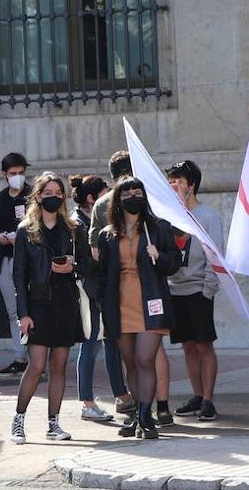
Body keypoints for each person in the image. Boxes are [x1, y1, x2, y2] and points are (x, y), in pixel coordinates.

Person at [92, 177, 181, 439]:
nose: (133, 196)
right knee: (130, 362)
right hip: (119, 305)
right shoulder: (107, 235)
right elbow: (102, 275)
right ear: (118, 200)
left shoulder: (159, 228)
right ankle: (136, 416)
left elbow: (174, 263)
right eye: (127, 192)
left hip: (151, 302)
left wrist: (159, 256)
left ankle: (145, 415)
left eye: (137, 191)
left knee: (144, 359)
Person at [9, 173, 84, 444]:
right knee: (37, 365)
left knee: (60, 365)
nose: (54, 195)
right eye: (48, 191)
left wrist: (72, 267)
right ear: (38, 196)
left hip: (65, 302)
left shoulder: (72, 229)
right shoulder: (25, 230)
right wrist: (23, 314)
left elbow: (88, 264)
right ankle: (19, 419)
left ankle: (54, 423)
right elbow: (19, 276)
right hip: (38, 303)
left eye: (58, 191)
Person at [166, 160, 224, 423]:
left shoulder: (208, 216)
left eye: (178, 181)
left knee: (204, 345)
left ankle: (209, 400)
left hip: (199, 289)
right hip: (174, 290)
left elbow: (216, 256)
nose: (173, 186)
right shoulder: (167, 216)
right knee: (187, 346)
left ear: (191, 185)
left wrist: (208, 289)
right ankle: (197, 395)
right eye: (171, 181)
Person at [71, 175, 130, 420]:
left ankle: (122, 395)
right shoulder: (78, 224)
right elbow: (85, 263)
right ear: (91, 199)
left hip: (102, 289)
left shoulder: (88, 220)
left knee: (111, 342)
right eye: (105, 194)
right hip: (89, 290)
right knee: (91, 343)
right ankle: (87, 402)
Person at [88, 151, 138, 420]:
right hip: (140, 283)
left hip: (110, 284)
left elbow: (94, 250)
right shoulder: (143, 197)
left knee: (111, 340)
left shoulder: (101, 204)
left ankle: (121, 395)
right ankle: (146, 396)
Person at [0, 152, 32, 376]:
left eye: (21, 173)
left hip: (29, 261)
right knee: (13, 312)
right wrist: (1, 237)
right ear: (5, 175)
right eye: (13, 173)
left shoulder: (33, 194)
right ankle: (19, 357)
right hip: (6, 258)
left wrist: (21, 236)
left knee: (32, 308)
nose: (18, 177)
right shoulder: (0, 199)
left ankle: (36, 358)